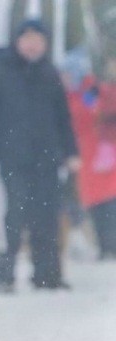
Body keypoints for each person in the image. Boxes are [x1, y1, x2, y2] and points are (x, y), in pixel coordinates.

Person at [0, 19, 79, 292]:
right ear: (17, 41)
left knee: (46, 217)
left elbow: (62, 118)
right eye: (27, 38)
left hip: (47, 159)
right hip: (9, 159)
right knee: (10, 219)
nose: (33, 44)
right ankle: (3, 276)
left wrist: (71, 152)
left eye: (38, 39)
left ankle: (47, 275)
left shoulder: (50, 73)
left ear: (45, 44)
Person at [65, 56, 116, 260]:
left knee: (109, 201)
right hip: (84, 156)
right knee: (94, 202)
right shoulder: (70, 95)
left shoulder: (93, 90)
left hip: (105, 153)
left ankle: (110, 244)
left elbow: (101, 111)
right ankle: (104, 245)